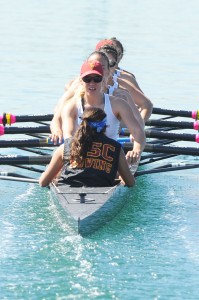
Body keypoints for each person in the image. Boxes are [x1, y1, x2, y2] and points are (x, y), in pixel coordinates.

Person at [51, 59, 146, 165]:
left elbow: (138, 132)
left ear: (104, 80)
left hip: (109, 158)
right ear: (81, 81)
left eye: (97, 79)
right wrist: (69, 161)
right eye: (87, 79)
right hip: (80, 156)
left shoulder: (119, 104)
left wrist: (136, 151)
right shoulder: (71, 107)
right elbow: (69, 135)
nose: (92, 83)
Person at [39, 107, 135, 187]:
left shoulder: (66, 146)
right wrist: (120, 176)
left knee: (54, 175)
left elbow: (43, 183)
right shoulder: (116, 148)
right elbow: (130, 183)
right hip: (101, 190)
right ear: (105, 126)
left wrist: (48, 177)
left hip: (67, 188)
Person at [96, 38, 153, 121]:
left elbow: (146, 104)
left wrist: (135, 129)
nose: (105, 68)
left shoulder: (125, 82)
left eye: (111, 63)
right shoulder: (80, 84)